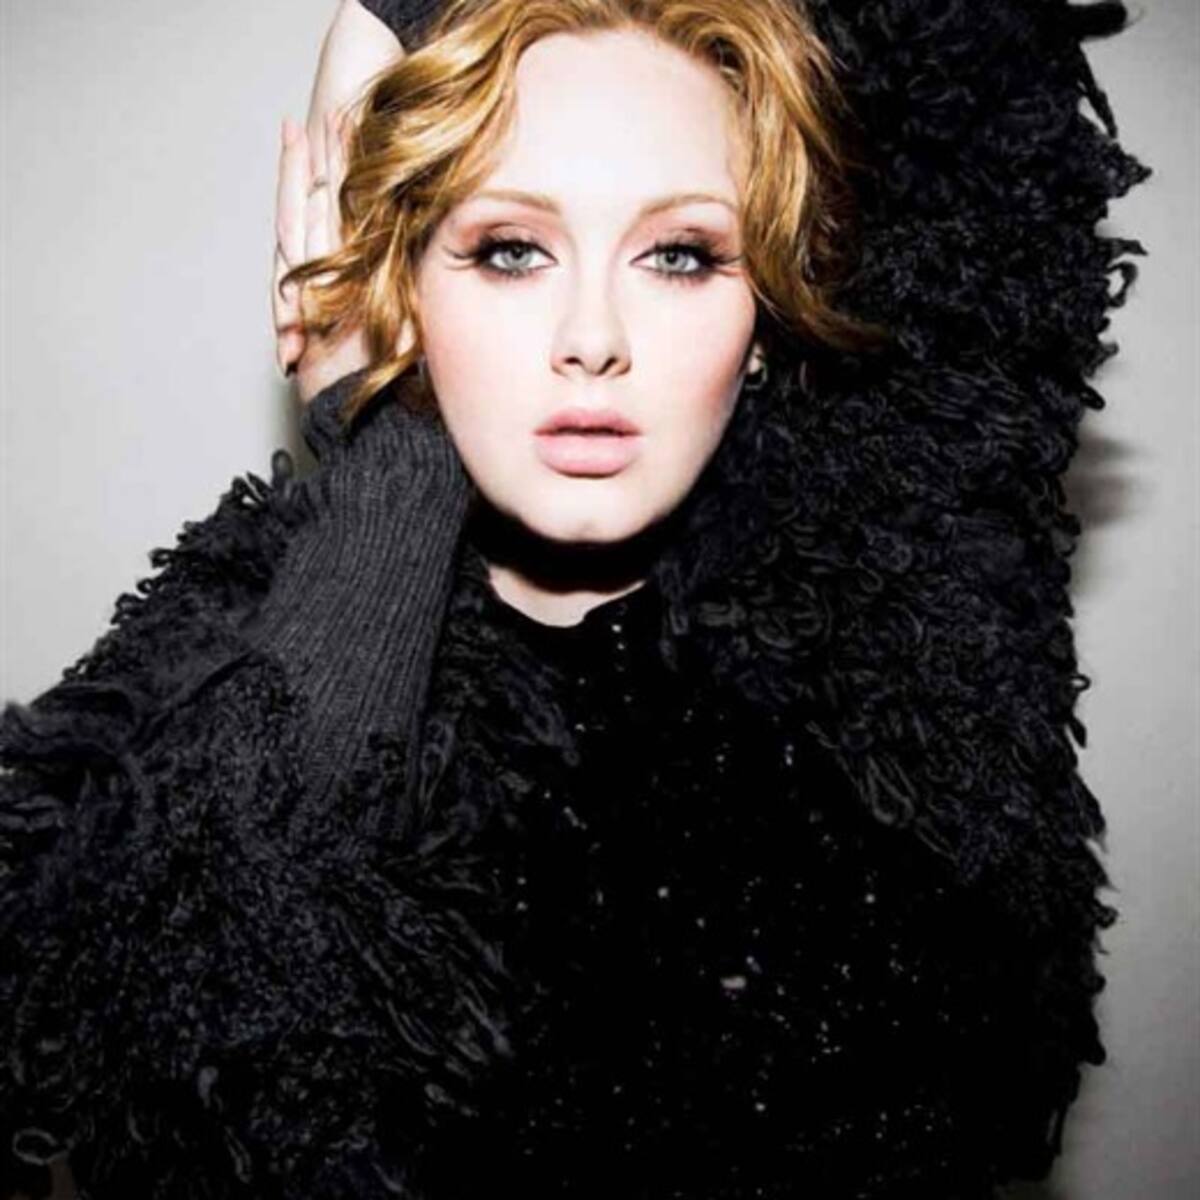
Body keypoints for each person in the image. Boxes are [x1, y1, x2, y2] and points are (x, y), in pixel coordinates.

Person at [0, 1, 1149, 1197]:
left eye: (680, 255)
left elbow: (984, 90)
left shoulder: (901, 620)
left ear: (764, 315)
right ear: (404, 286)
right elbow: (202, 1077)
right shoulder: (232, 654)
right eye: (510, 249)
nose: (593, 338)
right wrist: (391, 463)